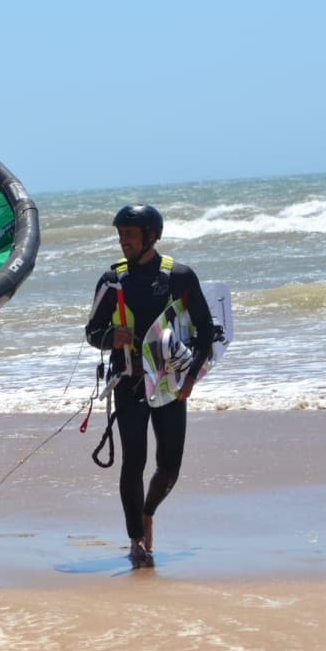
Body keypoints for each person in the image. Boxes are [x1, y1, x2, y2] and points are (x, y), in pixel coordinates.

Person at [85, 204, 214, 566]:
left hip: (171, 384)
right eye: (120, 234)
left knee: (170, 467)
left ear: (151, 236)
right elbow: (92, 333)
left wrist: (191, 379)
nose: (122, 241)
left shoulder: (181, 277)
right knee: (133, 463)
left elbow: (205, 332)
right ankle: (136, 541)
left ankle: (147, 512)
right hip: (129, 383)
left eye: (129, 234)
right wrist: (113, 337)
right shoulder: (112, 280)